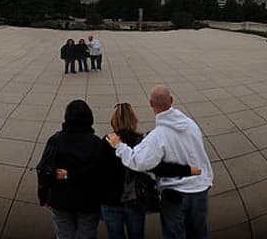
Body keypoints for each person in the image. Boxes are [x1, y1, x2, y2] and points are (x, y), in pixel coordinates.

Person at [110, 86, 214, 239]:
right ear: (172, 100)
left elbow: (137, 161)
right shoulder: (191, 125)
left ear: (151, 104)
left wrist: (119, 146)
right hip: (200, 190)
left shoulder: (157, 136)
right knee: (199, 233)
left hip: (175, 195)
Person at [94, 102, 201, 239]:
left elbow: (97, 171)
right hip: (135, 200)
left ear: (113, 120)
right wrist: (188, 170)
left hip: (110, 201)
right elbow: (158, 168)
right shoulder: (141, 141)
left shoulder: (106, 142)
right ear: (134, 120)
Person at [36, 100, 103, 239]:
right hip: (88, 202)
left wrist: (44, 197)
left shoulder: (56, 140)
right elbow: (99, 174)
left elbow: (45, 169)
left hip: (61, 200)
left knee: (64, 235)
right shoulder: (96, 142)